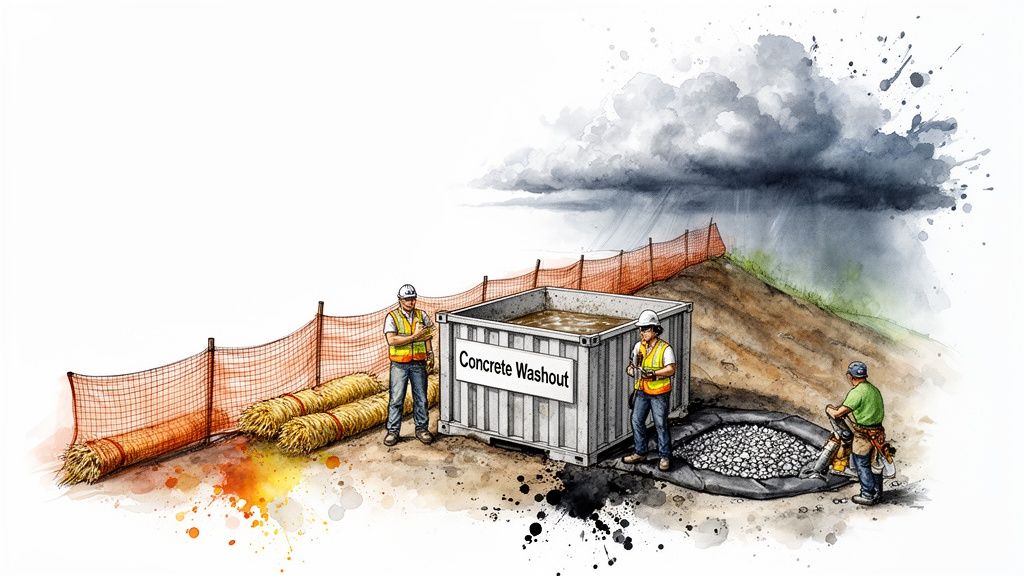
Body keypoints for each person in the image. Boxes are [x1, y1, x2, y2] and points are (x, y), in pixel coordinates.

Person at [621, 309, 677, 472]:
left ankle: (665, 456)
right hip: (642, 391)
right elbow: (632, 366)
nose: (642, 332)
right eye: (641, 329)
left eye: (645, 329)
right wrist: (631, 371)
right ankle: (640, 452)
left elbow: (671, 369)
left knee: (660, 424)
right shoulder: (638, 347)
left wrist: (653, 374)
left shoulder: (665, 349)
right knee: (637, 420)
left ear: (655, 329)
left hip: (659, 393)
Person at [826, 361, 886, 505]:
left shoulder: (857, 392)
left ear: (850, 376)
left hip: (863, 435)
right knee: (875, 464)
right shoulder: (873, 390)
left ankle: (867, 495)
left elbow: (838, 414)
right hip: (877, 433)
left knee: (862, 464)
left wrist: (829, 409)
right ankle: (878, 493)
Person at [382, 284, 435, 446]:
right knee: (397, 399)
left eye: (413, 299)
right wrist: (413, 337)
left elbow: (428, 335)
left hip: (418, 363)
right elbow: (392, 340)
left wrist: (430, 353)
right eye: (407, 299)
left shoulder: (422, 315)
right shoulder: (392, 317)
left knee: (421, 398)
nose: (411, 302)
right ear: (400, 300)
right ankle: (393, 431)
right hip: (399, 365)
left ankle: (422, 429)